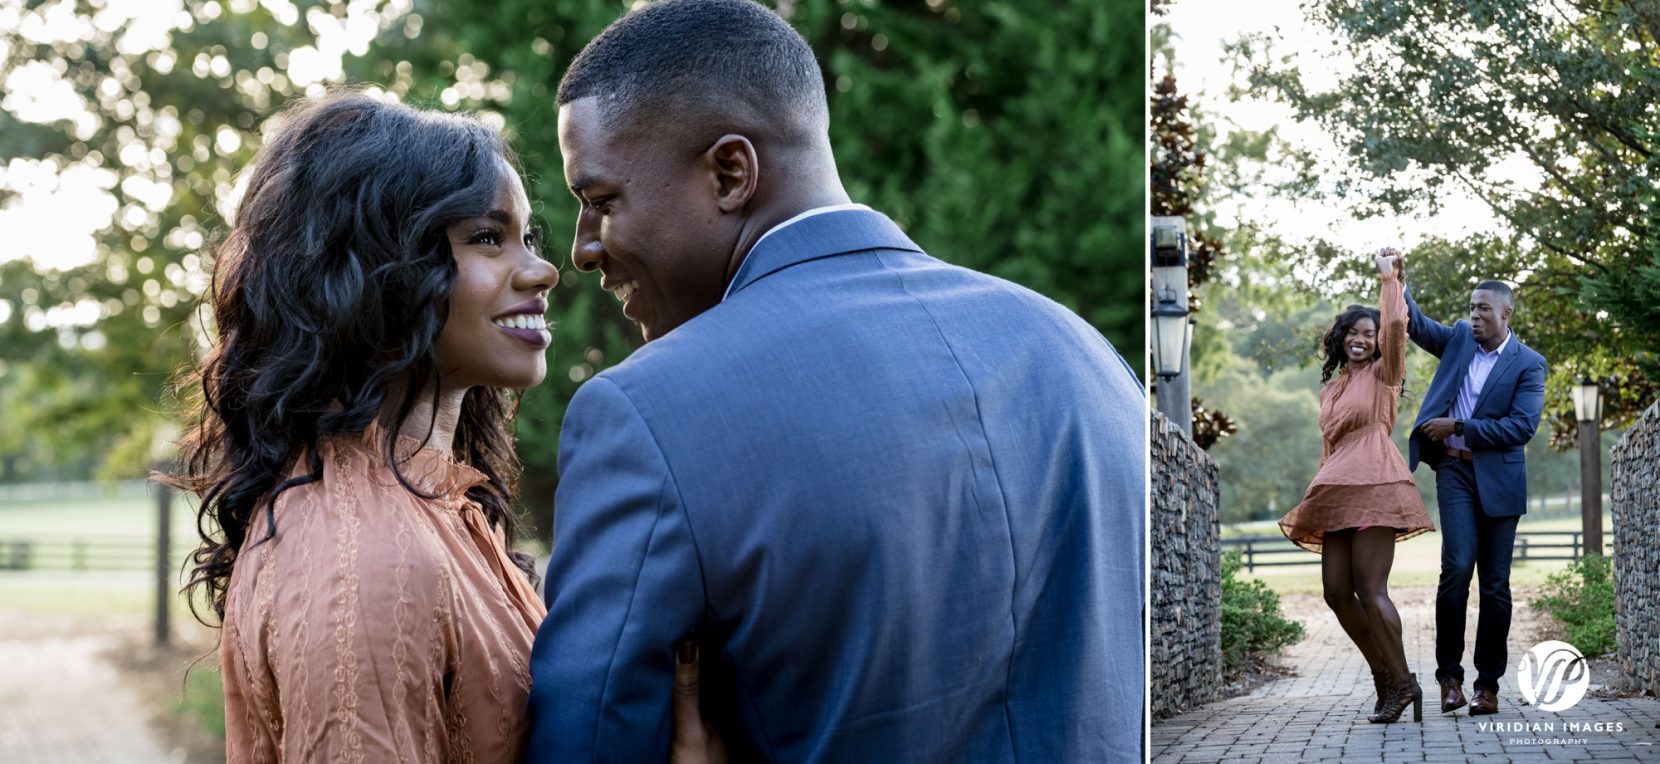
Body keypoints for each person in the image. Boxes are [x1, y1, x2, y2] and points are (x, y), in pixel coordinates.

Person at [525, 0, 1146, 761]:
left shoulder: (645, 411)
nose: (584, 249)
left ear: (730, 172)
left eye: (600, 201)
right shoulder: (1083, 353)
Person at [168, 92, 561, 762]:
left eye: (527, 237)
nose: (542, 270)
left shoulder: (432, 506)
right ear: (380, 272)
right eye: (487, 238)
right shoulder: (368, 559)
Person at [1278, 249, 1435, 724]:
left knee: (1371, 588)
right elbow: (1330, 446)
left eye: (1368, 334)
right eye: (1353, 333)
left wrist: (1390, 281)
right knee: (1335, 591)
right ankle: (1384, 677)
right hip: (1335, 489)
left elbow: (1394, 329)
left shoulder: (1386, 376)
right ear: (1341, 340)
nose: (1362, 340)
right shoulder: (1332, 389)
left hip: (1375, 485)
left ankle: (1404, 682)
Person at [1403, 261, 1547, 717]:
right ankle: (1450, 678)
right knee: (1457, 567)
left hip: (1501, 479)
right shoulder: (1461, 339)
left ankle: (1488, 685)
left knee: (1496, 586)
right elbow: (1418, 326)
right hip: (1454, 472)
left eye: (1484, 309)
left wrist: (1460, 424)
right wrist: (1397, 282)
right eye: (1471, 308)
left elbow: (1521, 427)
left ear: (1506, 315)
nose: (1475, 316)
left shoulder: (1530, 364)